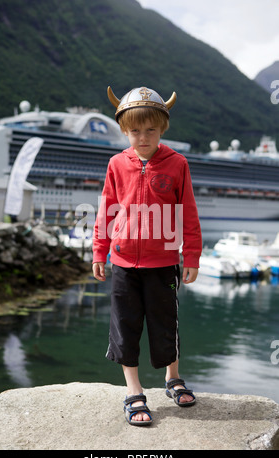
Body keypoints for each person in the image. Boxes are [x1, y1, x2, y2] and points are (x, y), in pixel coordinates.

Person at [92, 86, 202, 426]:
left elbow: (189, 213)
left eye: (150, 130)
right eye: (135, 130)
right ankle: (134, 391)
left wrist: (193, 255)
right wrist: (100, 248)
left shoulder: (177, 163)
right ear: (125, 130)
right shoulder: (116, 164)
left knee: (165, 322)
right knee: (125, 328)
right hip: (123, 262)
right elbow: (107, 208)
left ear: (162, 129)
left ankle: (172, 377)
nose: (143, 137)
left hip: (163, 263)